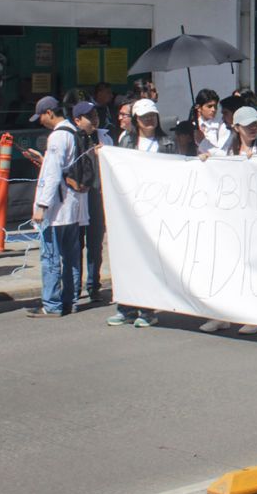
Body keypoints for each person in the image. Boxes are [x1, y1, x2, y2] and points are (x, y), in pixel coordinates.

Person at [106, 99, 176, 328]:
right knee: (127, 260)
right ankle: (125, 307)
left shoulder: (166, 143)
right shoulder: (126, 141)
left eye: (152, 116)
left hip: (156, 212)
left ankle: (147, 310)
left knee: (149, 261)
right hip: (129, 213)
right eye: (144, 117)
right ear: (136, 119)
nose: (149, 121)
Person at [197, 106, 257, 335]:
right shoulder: (226, 152)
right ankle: (221, 316)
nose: (253, 129)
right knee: (224, 265)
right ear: (236, 128)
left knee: (253, 268)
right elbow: (210, 164)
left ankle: (254, 315)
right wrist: (205, 159)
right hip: (230, 219)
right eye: (248, 126)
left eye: (256, 124)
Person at [27, 96, 88, 318]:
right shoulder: (73, 131)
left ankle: (51, 304)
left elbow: (53, 173)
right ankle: (70, 300)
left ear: (50, 113)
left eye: (41, 116)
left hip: (56, 208)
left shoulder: (56, 137)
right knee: (71, 256)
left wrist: (42, 206)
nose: (40, 121)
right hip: (72, 205)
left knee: (51, 256)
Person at [71, 101, 111, 304]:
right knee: (76, 244)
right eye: (89, 116)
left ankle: (94, 285)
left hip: (97, 197)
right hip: (79, 198)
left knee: (95, 245)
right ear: (77, 120)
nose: (94, 119)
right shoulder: (72, 139)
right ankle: (75, 287)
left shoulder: (104, 138)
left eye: (96, 114)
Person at [193, 88, 230, 154]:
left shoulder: (222, 124)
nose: (213, 109)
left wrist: (202, 142)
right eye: (209, 106)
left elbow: (223, 152)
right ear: (198, 108)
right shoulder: (193, 125)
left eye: (215, 106)